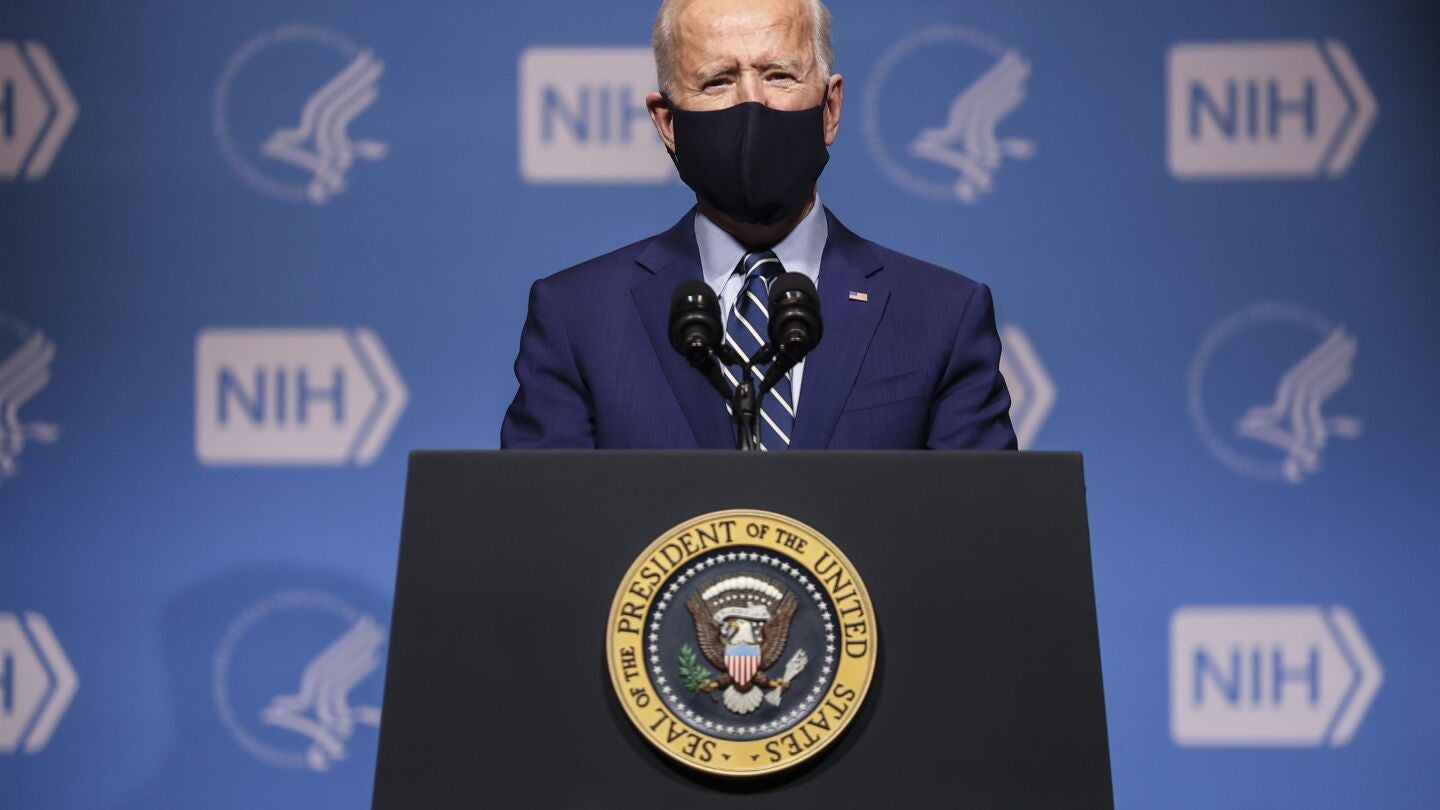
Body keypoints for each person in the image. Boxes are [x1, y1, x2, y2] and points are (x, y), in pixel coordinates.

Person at [501, 0, 1016, 450]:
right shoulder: (577, 318)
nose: (753, 103)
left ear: (830, 108)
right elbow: (545, 522)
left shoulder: (942, 316)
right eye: (717, 81)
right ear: (667, 123)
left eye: (779, 75)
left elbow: (979, 524)